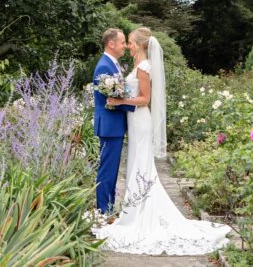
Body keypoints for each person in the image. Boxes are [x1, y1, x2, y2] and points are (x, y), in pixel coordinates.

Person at [92, 27, 232, 255]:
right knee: (131, 165)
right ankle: (121, 212)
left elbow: (145, 99)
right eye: (123, 42)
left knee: (141, 165)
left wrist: (120, 101)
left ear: (139, 44)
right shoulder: (118, 65)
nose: (127, 45)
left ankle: (134, 213)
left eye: (129, 42)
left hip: (139, 121)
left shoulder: (143, 67)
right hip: (128, 123)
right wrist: (119, 101)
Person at [93, 28, 135, 214]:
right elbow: (111, 100)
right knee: (107, 171)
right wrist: (136, 105)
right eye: (123, 42)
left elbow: (117, 95)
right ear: (111, 43)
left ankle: (109, 208)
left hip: (114, 126)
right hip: (110, 126)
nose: (125, 46)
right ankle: (103, 211)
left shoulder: (113, 64)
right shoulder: (104, 66)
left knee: (112, 171)